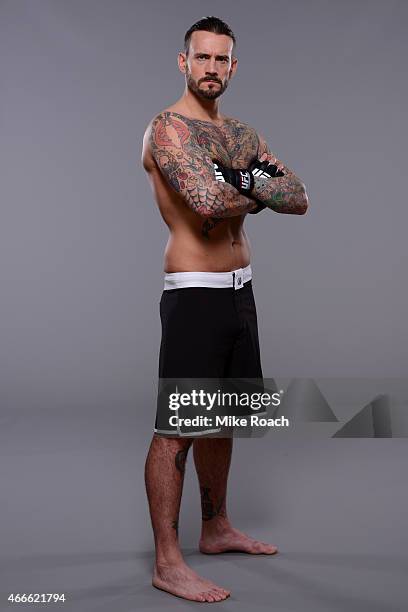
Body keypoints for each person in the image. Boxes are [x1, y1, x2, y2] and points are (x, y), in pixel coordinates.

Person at [141, 16, 309, 603]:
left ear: (233, 67)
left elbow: (298, 196)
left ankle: (215, 529)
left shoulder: (241, 132)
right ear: (182, 61)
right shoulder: (167, 129)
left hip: (241, 289)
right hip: (194, 293)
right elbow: (207, 199)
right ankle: (168, 561)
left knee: (224, 417)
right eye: (201, 57)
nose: (211, 68)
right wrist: (253, 181)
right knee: (177, 429)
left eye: (222, 60)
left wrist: (239, 180)